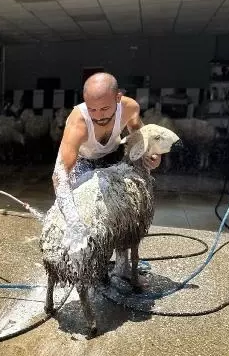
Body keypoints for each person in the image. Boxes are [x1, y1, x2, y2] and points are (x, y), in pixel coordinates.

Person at [53, 72, 161, 254]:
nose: (98, 116)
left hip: (112, 154)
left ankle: (122, 263)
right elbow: (60, 174)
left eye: (104, 109)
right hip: (82, 161)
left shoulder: (129, 107)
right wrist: (72, 221)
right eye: (92, 109)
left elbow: (138, 135)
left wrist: (150, 154)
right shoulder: (78, 121)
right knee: (81, 213)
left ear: (118, 98)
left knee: (121, 212)